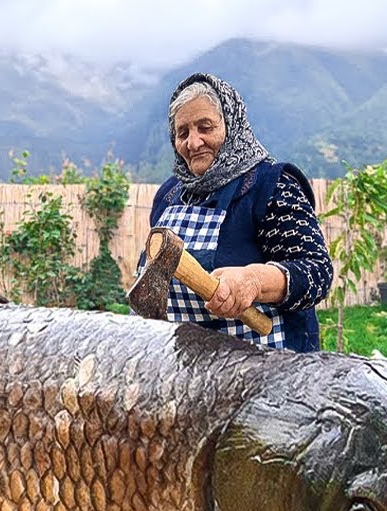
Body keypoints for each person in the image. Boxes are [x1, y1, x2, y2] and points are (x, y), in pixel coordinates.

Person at [141, 73, 332, 352]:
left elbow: (317, 272)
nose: (193, 143)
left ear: (232, 125)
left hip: (268, 368)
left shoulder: (271, 185)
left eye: (205, 127)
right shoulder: (169, 196)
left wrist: (253, 281)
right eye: (182, 133)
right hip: (187, 370)